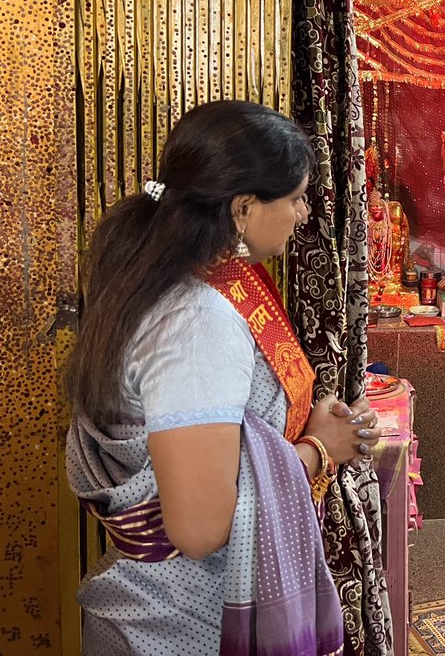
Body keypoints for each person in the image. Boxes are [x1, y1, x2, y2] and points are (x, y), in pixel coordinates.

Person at [64, 100, 381, 655]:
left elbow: (222, 431)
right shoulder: (197, 321)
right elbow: (198, 528)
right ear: (242, 209)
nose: (303, 213)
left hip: (152, 610)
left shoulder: (162, 279)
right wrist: (318, 451)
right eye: (296, 198)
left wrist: (301, 418)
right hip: (178, 624)